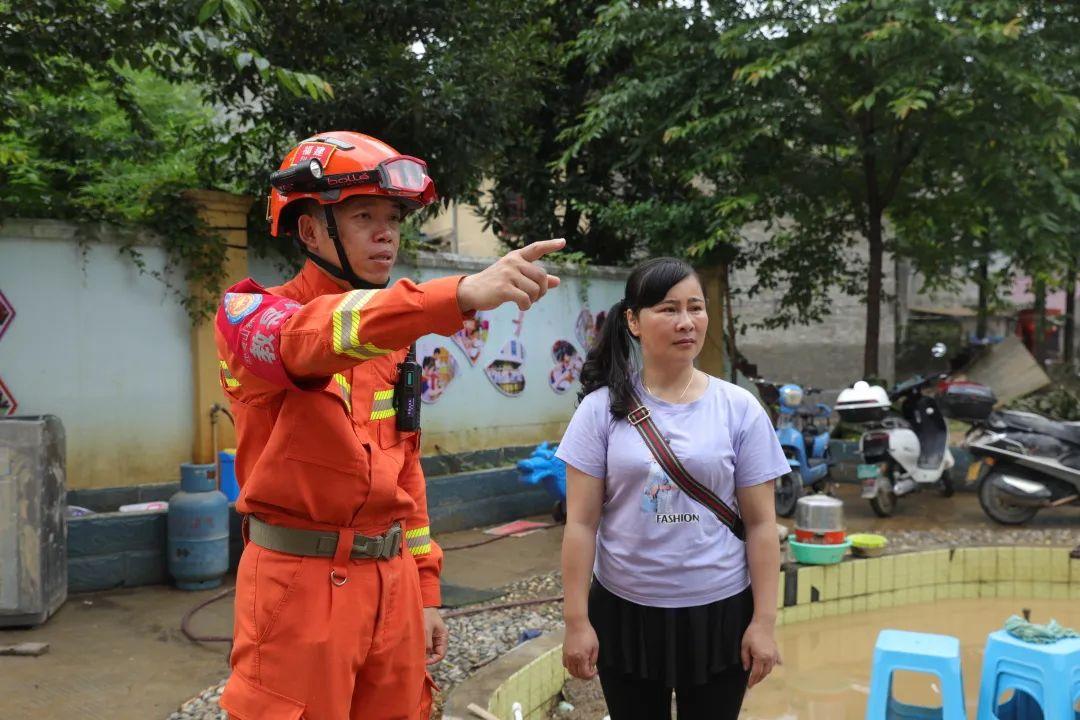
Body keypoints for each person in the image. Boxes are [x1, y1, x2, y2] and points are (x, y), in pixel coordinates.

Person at [215, 130, 564, 720]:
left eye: (394, 217)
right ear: (310, 230)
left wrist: (425, 592)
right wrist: (460, 293)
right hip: (299, 585)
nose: (386, 233)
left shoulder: (394, 342)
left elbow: (406, 470)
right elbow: (315, 337)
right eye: (363, 216)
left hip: (392, 582)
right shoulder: (252, 315)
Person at [556, 257, 789, 720]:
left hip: (720, 610)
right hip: (625, 611)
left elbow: (763, 524)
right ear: (633, 321)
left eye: (695, 308)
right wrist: (576, 621)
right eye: (668, 309)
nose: (686, 322)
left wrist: (764, 622)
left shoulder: (739, 409)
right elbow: (581, 525)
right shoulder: (601, 411)